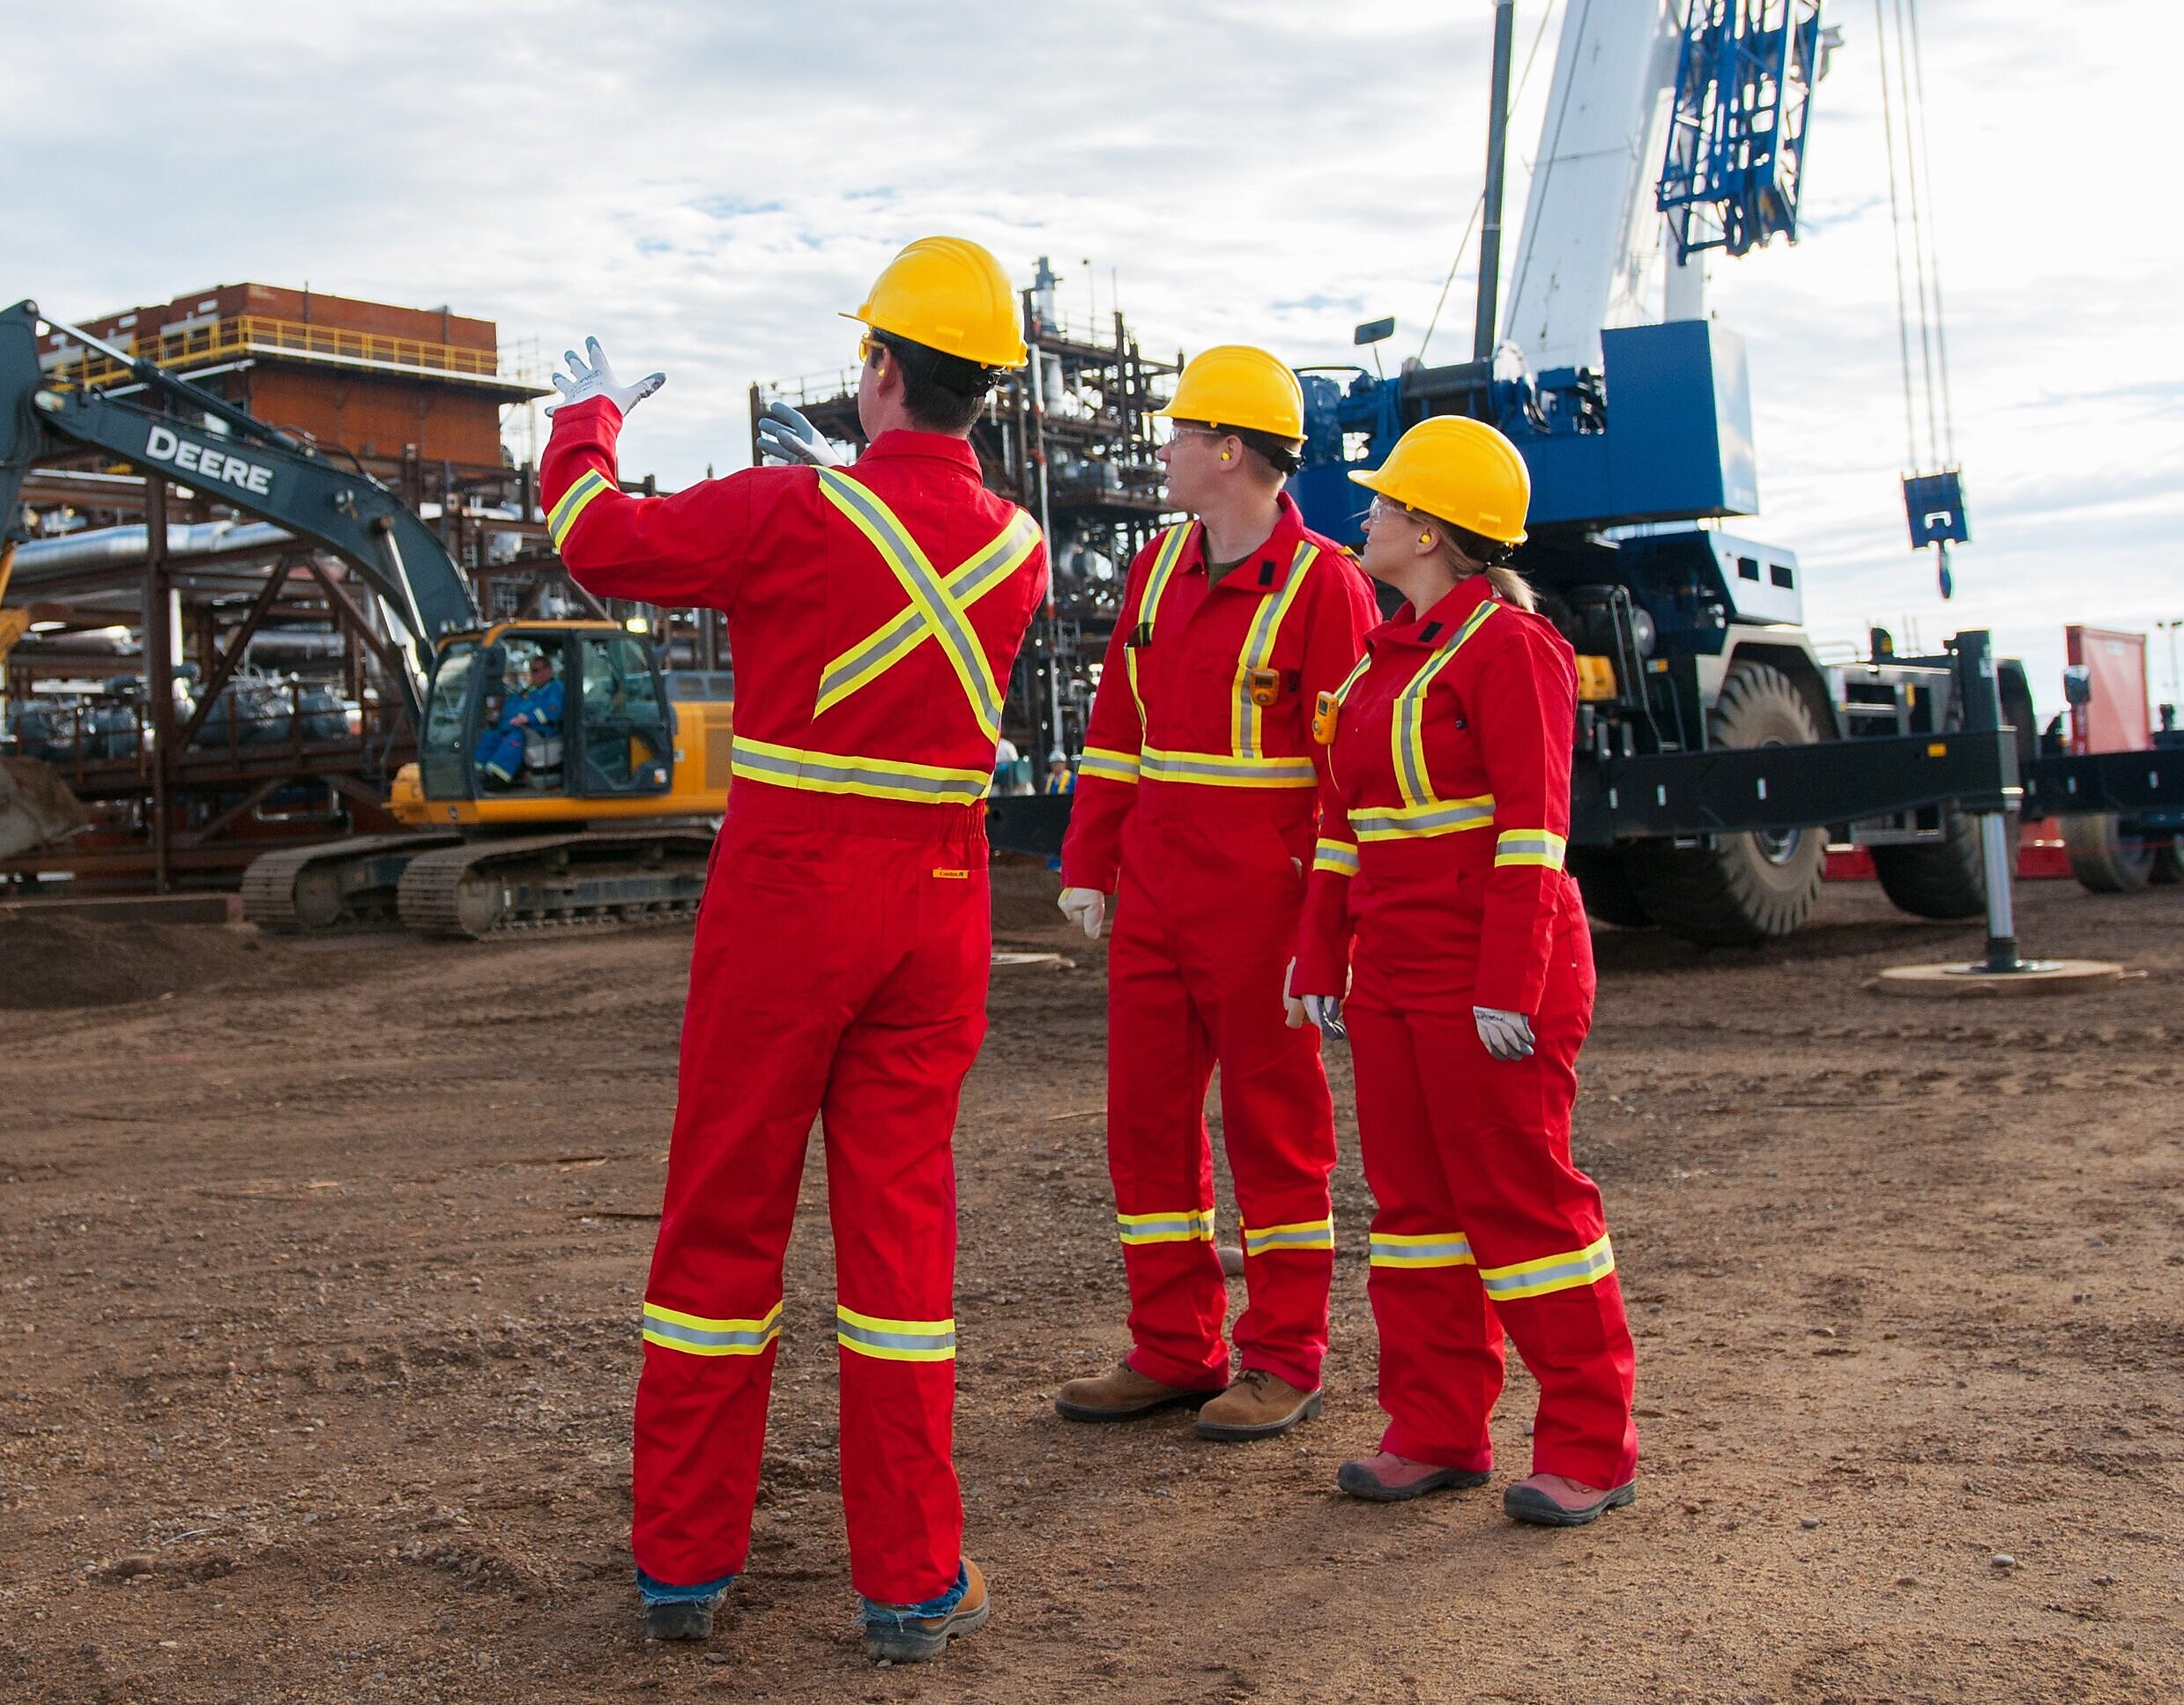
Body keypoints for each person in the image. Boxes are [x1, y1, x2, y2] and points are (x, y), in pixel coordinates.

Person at [538, 237, 1047, 1661]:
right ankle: (909, 1583)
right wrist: (854, 478)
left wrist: (582, 425)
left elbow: (594, 535)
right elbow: (905, 560)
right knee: (898, 1242)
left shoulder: (784, 511)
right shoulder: (1022, 549)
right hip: (936, 907)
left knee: (723, 1215)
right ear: (985, 396)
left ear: (876, 368)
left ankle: (685, 1570)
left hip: (785, 900)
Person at [1290, 416, 1638, 1526]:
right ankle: (1436, 1429)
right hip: (1393, 969)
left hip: (1488, 971)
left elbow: (1537, 834)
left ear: (1431, 531)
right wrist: (1319, 955)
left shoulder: (1508, 648)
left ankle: (1592, 1447)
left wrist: (1509, 982)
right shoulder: (1379, 660)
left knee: (1525, 1206)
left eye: (1387, 505)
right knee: (1415, 1213)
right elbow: (1343, 831)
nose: (1370, 517)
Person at [1052, 346, 1376, 1442]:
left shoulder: (1327, 584)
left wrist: (1329, 932)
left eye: (1182, 433)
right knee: (1145, 1127)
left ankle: (1284, 1358)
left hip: (1266, 906)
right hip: (1155, 891)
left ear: (1230, 451)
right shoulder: (1155, 569)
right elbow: (1117, 735)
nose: (1166, 449)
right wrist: (1089, 866)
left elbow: (1353, 779)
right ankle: (1173, 1350)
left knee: (1274, 1129)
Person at [475, 651, 563, 786]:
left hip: (540, 732)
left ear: (548, 671)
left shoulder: (555, 688)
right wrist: (498, 714)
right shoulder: (532, 690)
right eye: (531, 670)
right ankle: (477, 771)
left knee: (514, 738)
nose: (532, 674)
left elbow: (552, 710)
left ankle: (497, 777)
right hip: (515, 726)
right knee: (491, 735)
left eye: (535, 670)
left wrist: (527, 718)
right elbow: (514, 702)